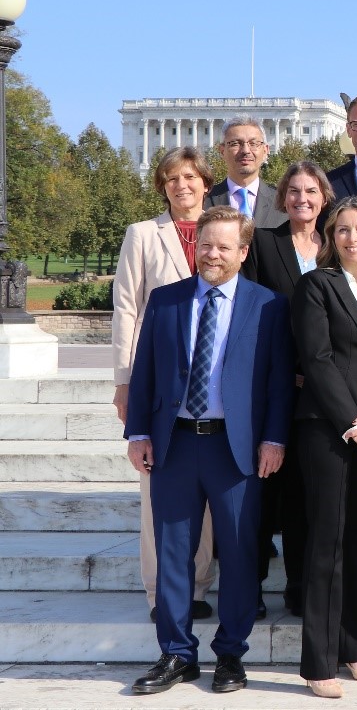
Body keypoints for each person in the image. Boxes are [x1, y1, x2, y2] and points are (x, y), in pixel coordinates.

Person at [124, 206, 293, 696]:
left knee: (240, 553)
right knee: (173, 554)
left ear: (243, 252)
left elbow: (280, 383)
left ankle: (231, 655)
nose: (212, 254)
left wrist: (275, 439)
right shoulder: (166, 301)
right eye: (205, 244)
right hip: (175, 444)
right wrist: (138, 433)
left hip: (235, 449)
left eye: (223, 246)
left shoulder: (268, 305)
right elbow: (146, 372)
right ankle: (176, 654)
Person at [291, 197, 357, 697]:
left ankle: (354, 649)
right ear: (330, 237)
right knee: (327, 544)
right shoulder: (316, 286)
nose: (353, 238)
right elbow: (317, 359)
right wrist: (352, 421)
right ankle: (318, 662)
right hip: (327, 432)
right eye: (342, 230)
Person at [111, 148, 218, 624]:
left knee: (209, 497)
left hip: (214, 384)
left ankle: (196, 585)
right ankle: (159, 592)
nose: (182, 186)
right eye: (172, 179)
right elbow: (127, 310)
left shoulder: (226, 232)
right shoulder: (142, 235)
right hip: (158, 384)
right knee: (157, 491)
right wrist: (124, 380)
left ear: (205, 183)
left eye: (190, 177)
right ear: (163, 186)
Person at [242, 160, 336, 618]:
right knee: (264, 494)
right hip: (276, 386)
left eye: (311, 191)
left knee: (305, 495)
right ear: (283, 199)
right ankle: (252, 586)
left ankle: (299, 587)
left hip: (323, 393)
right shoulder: (264, 243)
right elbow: (254, 314)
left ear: (324, 197)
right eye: (295, 191)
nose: (303, 199)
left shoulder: (336, 245)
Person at [203, 116, 283, 227]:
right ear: (222, 151)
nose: (245, 150)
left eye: (253, 143)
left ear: (265, 151)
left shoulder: (283, 201)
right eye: (236, 143)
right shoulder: (204, 201)